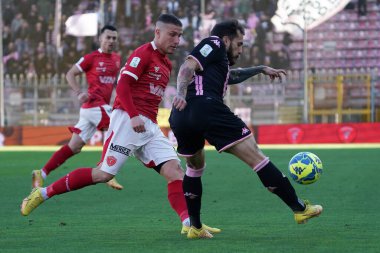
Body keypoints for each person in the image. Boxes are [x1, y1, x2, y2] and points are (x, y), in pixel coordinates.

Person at [20, 14, 220, 235]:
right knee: (103, 174)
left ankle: (189, 225)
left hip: (149, 126)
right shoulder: (143, 53)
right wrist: (133, 115)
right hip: (127, 120)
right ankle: (42, 193)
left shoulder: (166, 63)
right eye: (172, 34)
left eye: (179, 36)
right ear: (157, 32)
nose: (176, 40)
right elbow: (123, 85)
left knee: (175, 172)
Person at [169, 19, 323, 239]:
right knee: (257, 158)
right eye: (239, 44)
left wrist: (260, 69)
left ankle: (195, 227)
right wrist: (180, 94)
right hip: (206, 107)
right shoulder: (213, 43)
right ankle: (300, 209)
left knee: (194, 166)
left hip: (182, 117)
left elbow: (229, 76)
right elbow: (186, 66)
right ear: (226, 39)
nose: (241, 50)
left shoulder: (216, 60)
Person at [31, 25, 123, 190]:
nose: (111, 41)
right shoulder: (91, 57)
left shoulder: (116, 59)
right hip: (94, 104)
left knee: (74, 146)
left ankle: (42, 173)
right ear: (100, 39)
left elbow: (112, 84)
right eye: (108, 37)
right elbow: (70, 73)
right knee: (117, 128)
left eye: (114, 38)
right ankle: (107, 171)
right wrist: (79, 92)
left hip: (95, 109)